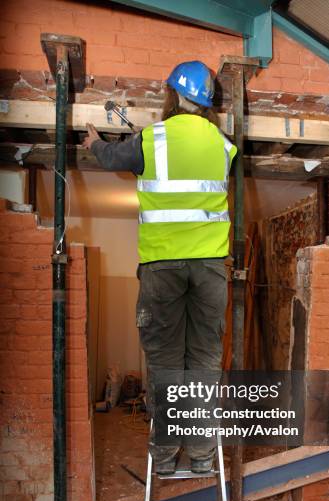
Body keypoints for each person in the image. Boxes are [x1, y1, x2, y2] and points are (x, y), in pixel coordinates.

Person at [84, 61, 236, 474]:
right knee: (203, 361)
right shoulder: (224, 145)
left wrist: (94, 142)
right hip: (209, 269)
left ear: (173, 95)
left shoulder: (152, 139)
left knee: (167, 364)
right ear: (206, 102)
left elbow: (112, 156)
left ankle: (166, 459)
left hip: (163, 268)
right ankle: (204, 457)